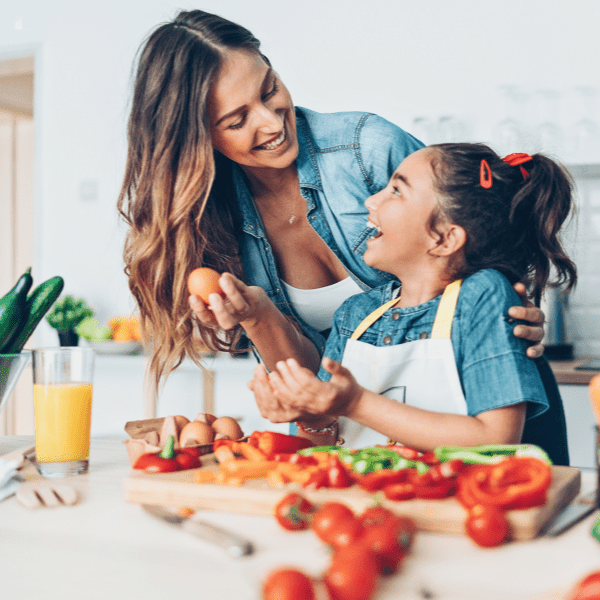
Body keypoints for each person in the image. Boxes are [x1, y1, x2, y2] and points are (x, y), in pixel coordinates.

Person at [117, 9, 545, 391]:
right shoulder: (210, 223)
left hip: (483, 395)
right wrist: (257, 316)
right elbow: (315, 385)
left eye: (269, 91)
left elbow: (478, 233)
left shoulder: (369, 149)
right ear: (197, 139)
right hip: (369, 438)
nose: (271, 122)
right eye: (237, 119)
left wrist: (516, 303)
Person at [251, 145, 577, 462]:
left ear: (444, 239)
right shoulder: (355, 314)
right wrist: (312, 415)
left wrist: (355, 403)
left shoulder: (482, 295)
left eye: (396, 190)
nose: (371, 200)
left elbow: (496, 440)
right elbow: (320, 445)